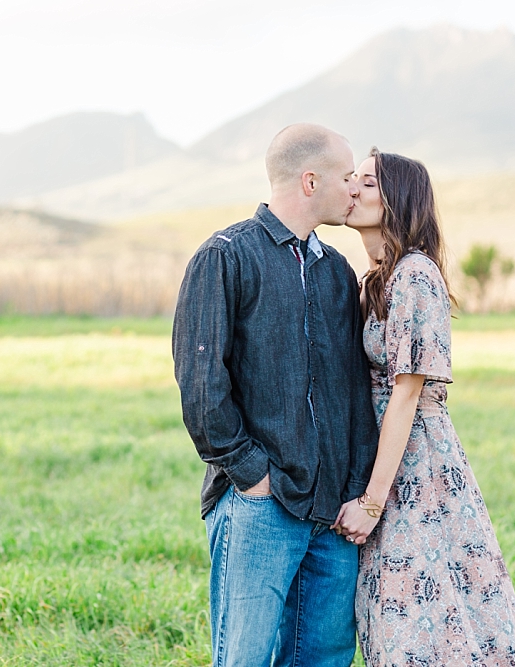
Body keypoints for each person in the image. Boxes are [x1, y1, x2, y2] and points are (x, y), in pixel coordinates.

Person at [172, 123, 379, 667]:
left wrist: (355, 488)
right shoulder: (225, 256)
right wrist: (251, 474)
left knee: (325, 657)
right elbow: (201, 383)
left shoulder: (337, 272)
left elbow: (354, 394)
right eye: (345, 176)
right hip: (258, 505)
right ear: (310, 181)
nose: (354, 188)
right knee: (246, 657)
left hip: (332, 515)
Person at [335, 148, 515, 666]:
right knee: (399, 610)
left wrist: (372, 503)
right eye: (352, 179)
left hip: (416, 463)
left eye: (367, 183)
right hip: (384, 456)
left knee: (419, 612)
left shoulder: (415, 276)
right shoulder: (376, 280)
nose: (353, 189)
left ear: (399, 200)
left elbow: (406, 393)